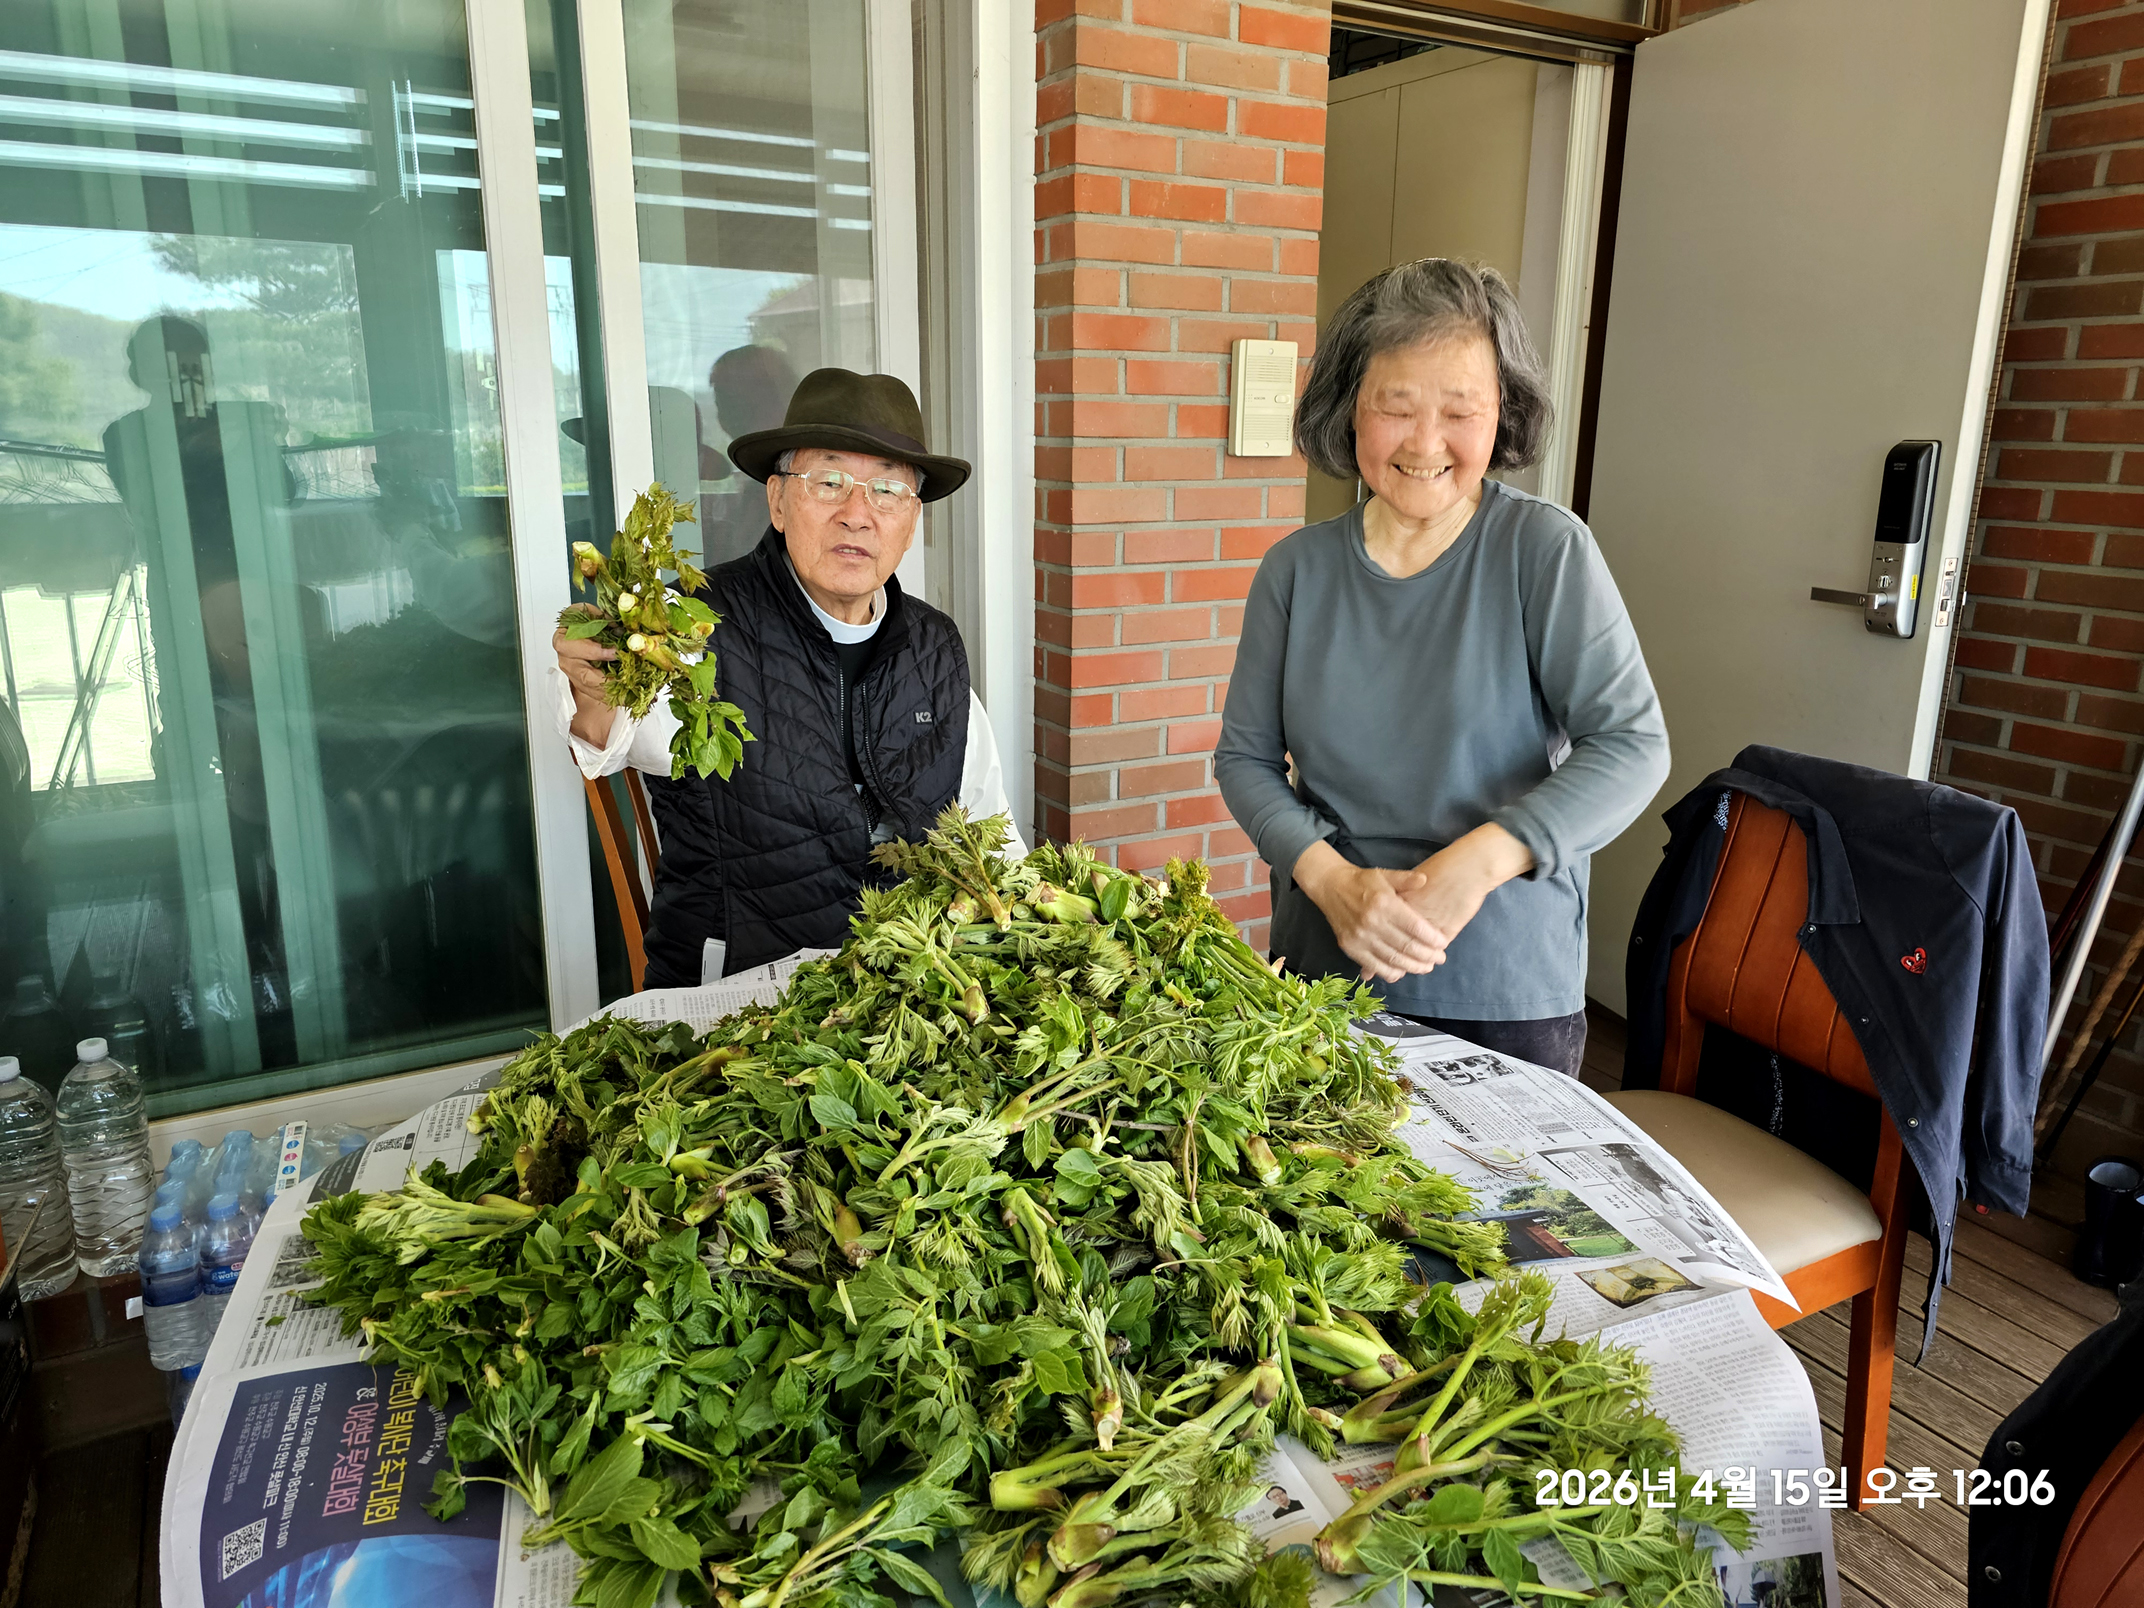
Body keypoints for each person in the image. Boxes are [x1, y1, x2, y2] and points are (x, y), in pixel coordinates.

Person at [1213, 259, 1668, 1076]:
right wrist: (1332, 881)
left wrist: (1475, 865)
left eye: (1462, 411)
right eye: (1396, 407)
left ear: (1504, 416)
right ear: (1350, 410)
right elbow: (1245, 760)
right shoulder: (1296, 571)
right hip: (1325, 969)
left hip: (1505, 990)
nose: (1427, 444)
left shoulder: (1545, 551)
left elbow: (1632, 746)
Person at [553, 367, 1022, 984]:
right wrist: (596, 692)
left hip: (903, 993)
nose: (858, 514)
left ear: (911, 522)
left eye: (887, 492)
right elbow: (614, 738)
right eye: (829, 482)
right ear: (778, 502)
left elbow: (993, 833)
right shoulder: (695, 626)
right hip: (740, 996)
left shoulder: (933, 646)